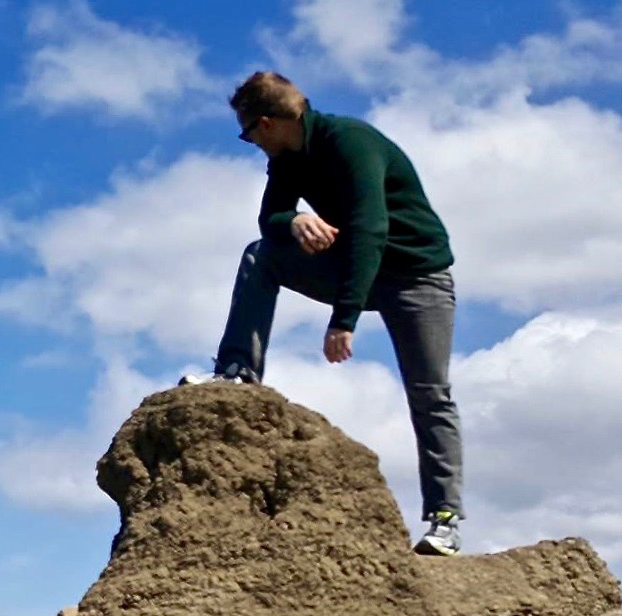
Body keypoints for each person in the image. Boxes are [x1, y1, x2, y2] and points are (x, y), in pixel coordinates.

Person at [184, 72, 463, 556]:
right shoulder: (288, 159)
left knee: (430, 393)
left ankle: (445, 519)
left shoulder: (351, 142)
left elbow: (370, 231)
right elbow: (269, 221)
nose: (249, 142)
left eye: (247, 133)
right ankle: (237, 371)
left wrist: (344, 317)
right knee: (261, 254)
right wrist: (293, 219)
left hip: (418, 279)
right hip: (353, 267)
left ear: (266, 124)